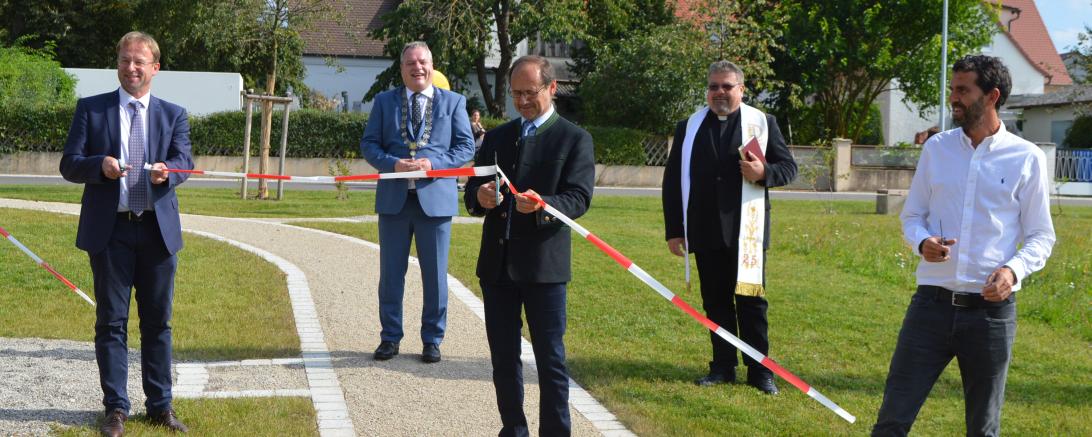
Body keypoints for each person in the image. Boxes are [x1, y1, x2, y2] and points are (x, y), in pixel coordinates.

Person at [872, 55, 1055, 437]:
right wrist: (923, 242)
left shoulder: (1027, 158)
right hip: (930, 308)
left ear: (992, 96)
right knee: (892, 419)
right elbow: (912, 216)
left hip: (990, 316)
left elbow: (1041, 236)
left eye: (962, 90)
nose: (952, 98)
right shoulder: (937, 149)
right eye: (952, 89)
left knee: (983, 428)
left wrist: (1012, 270)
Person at [59, 31, 193, 436]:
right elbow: (69, 164)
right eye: (124, 60)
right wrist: (99, 165)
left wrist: (168, 172)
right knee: (111, 323)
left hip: (157, 234)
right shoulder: (91, 110)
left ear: (155, 68)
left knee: (158, 323)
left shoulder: (174, 114)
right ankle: (116, 409)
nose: (130, 68)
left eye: (139, 62)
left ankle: (160, 406)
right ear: (117, 63)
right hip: (110, 232)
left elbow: (184, 162)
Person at [464, 55, 595, 437]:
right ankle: (513, 429)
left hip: (544, 268)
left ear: (551, 88)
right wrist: (480, 197)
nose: (522, 101)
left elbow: (579, 197)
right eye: (515, 93)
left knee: (550, 359)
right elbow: (473, 188)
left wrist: (546, 205)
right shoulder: (498, 138)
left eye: (529, 92)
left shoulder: (575, 139)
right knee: (504, 359)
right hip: (497, 267)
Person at [661, 60, 797, 395]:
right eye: (713, 86)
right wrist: (675, 229)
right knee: (716, 302)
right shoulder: (689, 127)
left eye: (726, 86)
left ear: (742, 89)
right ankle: (722, 366)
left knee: (751, 303)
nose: (719, 92)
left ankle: (759, 371)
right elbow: (672, 181)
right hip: (705, 230)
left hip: (747, 231)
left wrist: (763, 174)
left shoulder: (762, 123)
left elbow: (789, 168)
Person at [360, 41, 475, 363]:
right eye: (410, 63)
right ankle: (390, 338)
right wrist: (392, 164)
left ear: (432, 65)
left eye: (422, 61)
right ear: (402, 69)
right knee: (391, 275)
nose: (417, 68)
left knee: (436, 276)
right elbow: (369, 144)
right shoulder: (384, 102)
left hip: (435, 202)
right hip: (394, 202)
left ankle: (432, 340)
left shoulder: (454, 102)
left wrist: (433, 166)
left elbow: (466, 148)